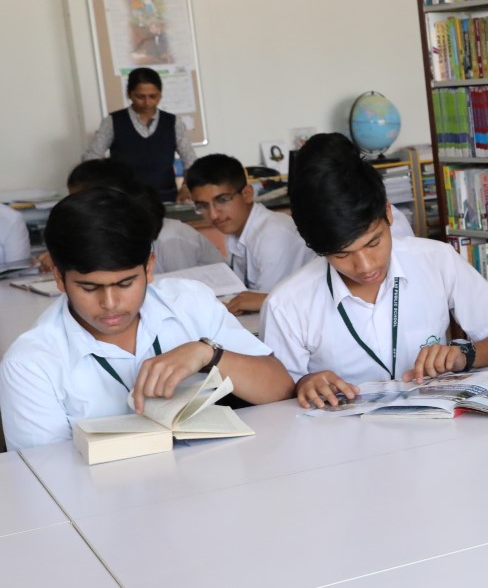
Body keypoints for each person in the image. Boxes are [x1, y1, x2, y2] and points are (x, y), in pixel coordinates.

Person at [0, 189, 293, 448]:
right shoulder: (30, 363)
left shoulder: (189, 303)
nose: (110, 304)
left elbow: (279, 389)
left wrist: (209, 354)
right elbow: (46, 479)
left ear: (149, 268)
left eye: (126, 284)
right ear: (59, 279)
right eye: (89, 287)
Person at [261, 134, 488, 408]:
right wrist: (303, 384)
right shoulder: (286, 304)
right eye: (342, 254)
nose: (366, 266)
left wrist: (464, 355)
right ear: (319, 249)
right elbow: (276, 396)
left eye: (374, 242)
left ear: (389, 214)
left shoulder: (435, 260)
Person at [184, 154, 312, 315]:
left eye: (222, 200)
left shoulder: (272, 235)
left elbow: (269, 306)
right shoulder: (234, 230)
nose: (214, 214)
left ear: (247, 194)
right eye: (203, 206)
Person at [50, 159, 220, 275]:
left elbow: (183, 296)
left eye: (81, 201)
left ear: (109, 199)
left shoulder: (170, 238)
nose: (76, 208)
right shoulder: (112, 233)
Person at [85, 67, 196, 202]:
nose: (147, 102)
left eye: (153, 96)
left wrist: (186, 186)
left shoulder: (173, 122)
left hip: (165, 198)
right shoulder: (113, 122)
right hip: (125, 199)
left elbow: (190, 160)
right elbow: (91, 159)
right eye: (140, 97)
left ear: (160, 95)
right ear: (130, 94)